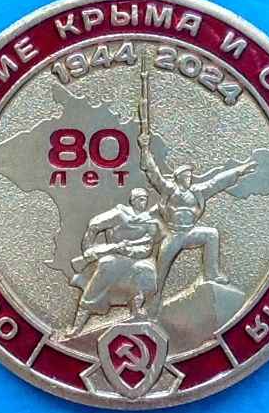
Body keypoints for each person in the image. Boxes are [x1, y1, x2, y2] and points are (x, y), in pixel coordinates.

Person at [138, 123, 257, 302]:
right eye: (185, 176)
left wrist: (240, 170)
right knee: (159, 273)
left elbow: (217, 181)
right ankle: (148, 300)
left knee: (211, 234)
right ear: (178, 178)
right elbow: (153, 173)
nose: (188, 178)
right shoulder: (169, 189)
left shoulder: (197, 192)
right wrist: (145, 148)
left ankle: (211, 273)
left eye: (189, 176)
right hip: (173, 235)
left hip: (189, 233)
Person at [67, 187, 161, 335]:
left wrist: (128, 250)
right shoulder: (119, 214)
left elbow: (147, 247)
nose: (143, 203)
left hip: (138, 259)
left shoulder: (150, 222)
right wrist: (89, 248)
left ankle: (136, 307)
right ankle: (78, 325)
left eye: (145, 200)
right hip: (114, 257)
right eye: (140, 199)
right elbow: (94, 225)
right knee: (105, 268)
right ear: (133, 200)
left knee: (147, 272)